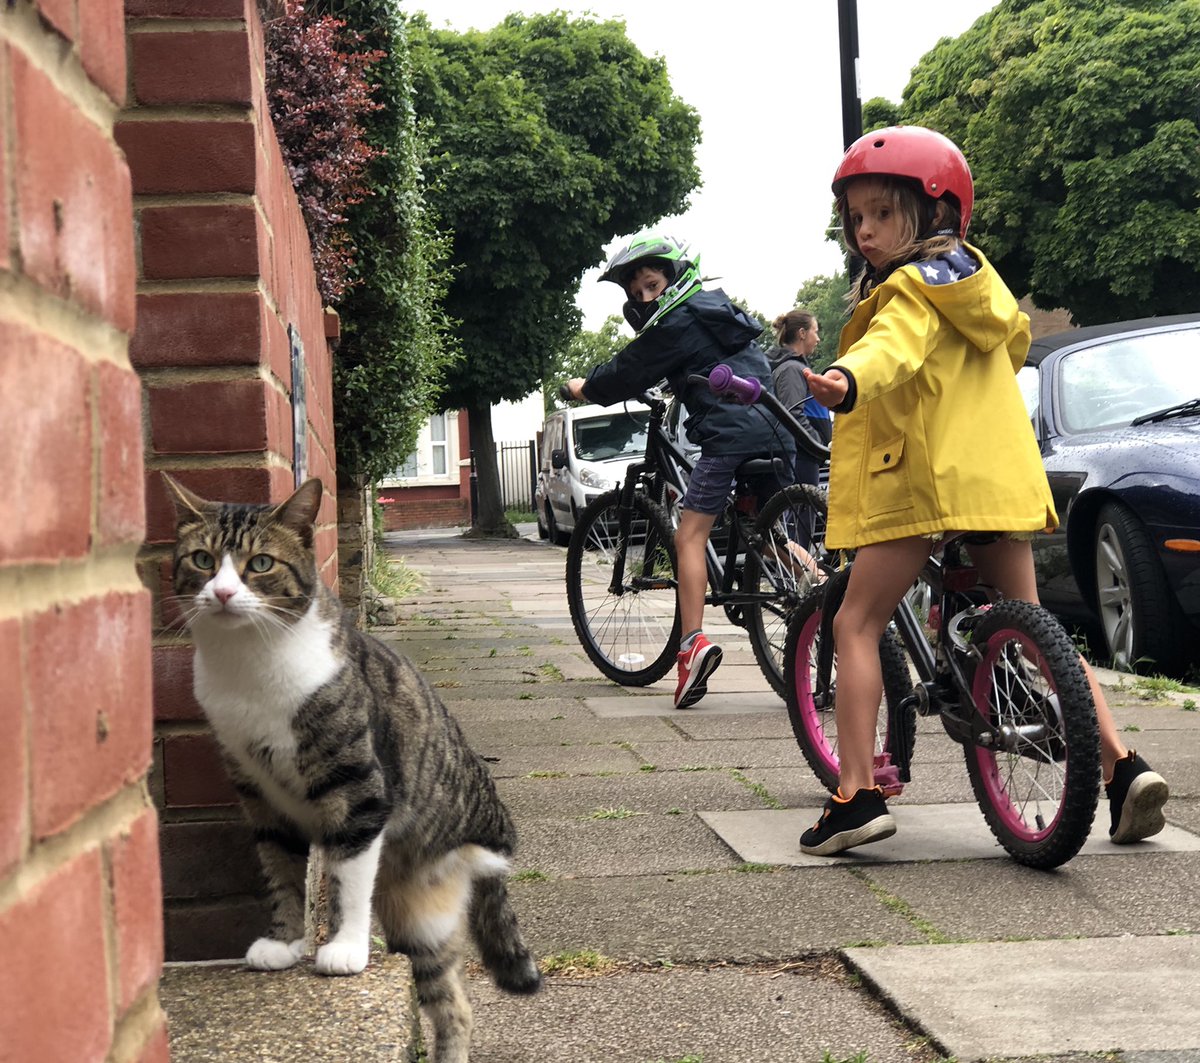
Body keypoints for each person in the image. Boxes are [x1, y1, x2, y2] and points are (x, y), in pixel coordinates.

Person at [797, 125, 1169, 856]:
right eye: (857, 218)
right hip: (997, 476)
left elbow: (890, 350)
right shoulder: (980, 286)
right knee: (1036, 627)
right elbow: (1014, 348)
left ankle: (856, 794)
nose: (865, 232)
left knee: (856, 622)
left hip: (924, 484)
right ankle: (1124, 770)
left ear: (934, 215)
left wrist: (846, 380)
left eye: (882, 213)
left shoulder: (906, 290)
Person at [564, 231, 795, 710]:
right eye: (638, 293)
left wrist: (583, 387)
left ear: (674, 277)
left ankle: (692, 647)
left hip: (727, 440)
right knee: (776, 540)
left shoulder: (674, 324)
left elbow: (623, 373)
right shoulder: (718, 308)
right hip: (776, 431)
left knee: (690, 537)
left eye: (651, 285)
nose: (647, 298)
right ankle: (823, 594)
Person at [766, 309, 832, 551]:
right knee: (800, 516)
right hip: (801, 455)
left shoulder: (795, 368)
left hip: (806, 455)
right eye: (815, 331)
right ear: (802, 333)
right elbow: (791, 413)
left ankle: (802, 568)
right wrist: (816, 443)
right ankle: (800, 570)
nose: (818, 338)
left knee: (805, 514)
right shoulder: (791, 370)